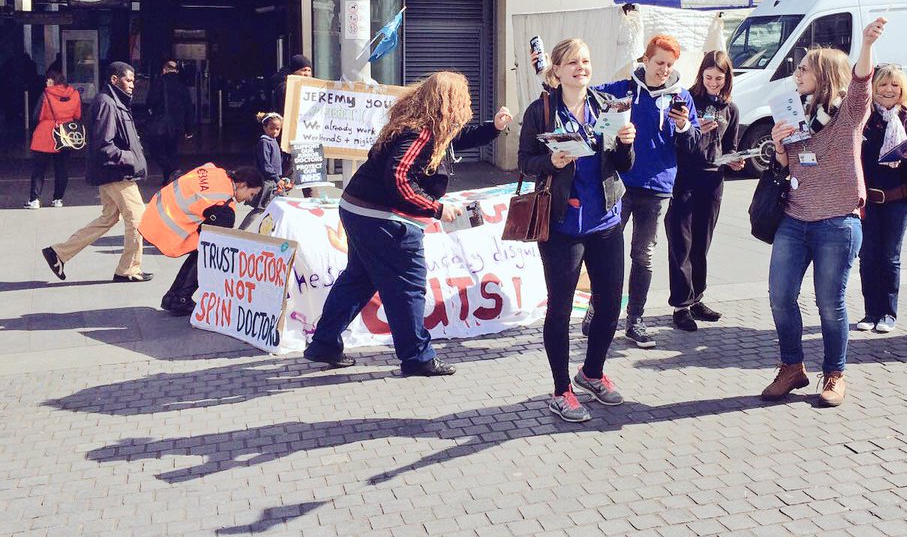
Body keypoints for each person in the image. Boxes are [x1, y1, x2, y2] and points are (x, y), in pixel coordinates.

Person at [303, 71, 512, 376]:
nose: (468, 105)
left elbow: (458, 140)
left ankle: (324, 343)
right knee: (408, 286)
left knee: (359, 279)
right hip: (384, 219)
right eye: (464, 99)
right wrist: (436, 208)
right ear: (449, 102)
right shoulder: (420, 134)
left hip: (360, 209)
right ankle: (417, 357)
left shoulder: (422, 126)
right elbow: (398, 177)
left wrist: (493, 129)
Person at [761, 17, 886, 408]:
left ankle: (834, 373)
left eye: (803, 68)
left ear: (825, 74)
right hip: (794, 219)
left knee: (829, 302)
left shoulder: (847, 112)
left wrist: (865, 45)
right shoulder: (793, 112)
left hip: (838, 220)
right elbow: (790, 166)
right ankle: (792, 367)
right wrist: (780, 148)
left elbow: (863, 83)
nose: (796, 73)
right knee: (780, 296)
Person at [519, 39, 637, 423]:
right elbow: (526, 162)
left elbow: (623, 164)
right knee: (561, 307)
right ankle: (561, 391)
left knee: (609, 302)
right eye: (572, 62)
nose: (580, 68)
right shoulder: (541, 111)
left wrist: (626, 144)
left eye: (585, 61)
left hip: (605, 219)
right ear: (556, 70)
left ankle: (591, 372)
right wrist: (551, 160)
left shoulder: (607, 105)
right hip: (562, 223)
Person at [590, 34, 699, 348]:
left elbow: (690, 146)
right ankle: (597, 309)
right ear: (645, 61)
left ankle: (635, 320)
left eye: (669, 64)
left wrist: (682, 126)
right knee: (605, 251)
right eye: (659, 63)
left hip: (656, 187)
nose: (664, 69)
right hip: (620, 182)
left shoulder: (681, 97)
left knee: (643, 255)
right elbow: (587, 97)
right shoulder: (624, 89)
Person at [41, 61, 153, 283]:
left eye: (134, 81)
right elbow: (104, 145)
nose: (133, 85)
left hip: (113, 172)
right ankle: (128, 269)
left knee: (108, 217)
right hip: (118, 174)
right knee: (139, 220)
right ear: (114, 79)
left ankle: (59, 253)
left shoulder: (115, 101)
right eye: (128, 80)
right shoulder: (107, 103)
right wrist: (131, 158)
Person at [664, 50, 744, 332]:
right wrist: (693, 128)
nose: (713, 83)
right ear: (701, 76)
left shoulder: (730, 108)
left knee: (701, 243)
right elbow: (675, 139)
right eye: (708, 77)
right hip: (685, 177)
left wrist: (736, 160)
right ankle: (680, 306)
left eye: (718, 78)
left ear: (727, 79)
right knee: (681, 242)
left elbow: (731, 146)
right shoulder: (687, 99)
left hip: (713, 180)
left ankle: (696, 298)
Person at [854, 63, 907, 335]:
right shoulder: (863, 117)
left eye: (895, 85)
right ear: (873, 88)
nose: (889, 90)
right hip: (869, 200)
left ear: (903, 89)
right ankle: (870, 312)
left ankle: (888, 313)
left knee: (890, 257)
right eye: (883, 84)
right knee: (868, 256)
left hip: (899, 198)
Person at [142, 164, 265, 315]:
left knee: (200, 250)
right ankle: (180, 298)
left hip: (156, 208)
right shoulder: (224, 206)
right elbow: (216, 248)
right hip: (169, 222)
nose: (248, 200)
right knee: (205, 255)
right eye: (251, 194)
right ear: (242, 185)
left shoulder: (215, 171)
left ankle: (174, 297)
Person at [25, 70, 82, 209]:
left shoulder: (46, 94)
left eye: (48, 80)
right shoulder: (74, 94)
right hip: (66, 134)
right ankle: (58, 199)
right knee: (62, 168)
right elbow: (78, 114)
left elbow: (37, 116)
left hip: (45, 134)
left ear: (52, 80)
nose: (46, 82)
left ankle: (34, 199)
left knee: (39, 169)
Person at [145, 59, 195, 186]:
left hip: (161, 124)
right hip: (178, 125)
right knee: (172, 151)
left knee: (156, 151)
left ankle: (173, 171)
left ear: (164, 69)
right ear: (177, 70)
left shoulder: (158, 83)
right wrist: (189, 129)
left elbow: (150, 101)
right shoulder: (182, 85)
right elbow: (189, 108)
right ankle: (169, 179)